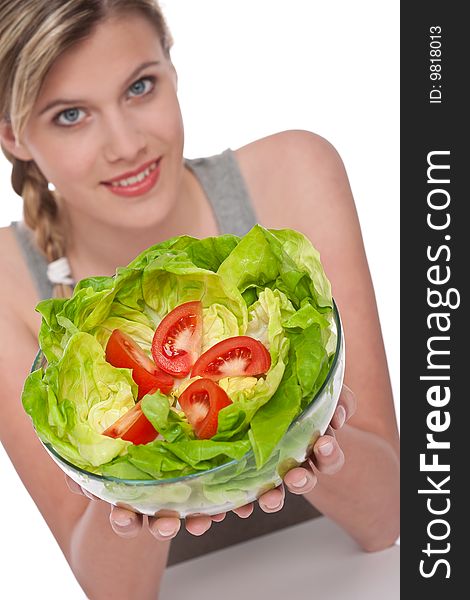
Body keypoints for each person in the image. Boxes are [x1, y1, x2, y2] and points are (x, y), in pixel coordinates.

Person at [0, 1, 400, 598]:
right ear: (13, 136)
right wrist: (143, 499)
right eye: (71, 115)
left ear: (172, 69)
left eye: (140, 86)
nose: (126, 144)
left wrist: (304, 443)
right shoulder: (10, 283)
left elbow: (388, 520)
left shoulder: (293, 172)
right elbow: (114, 593)